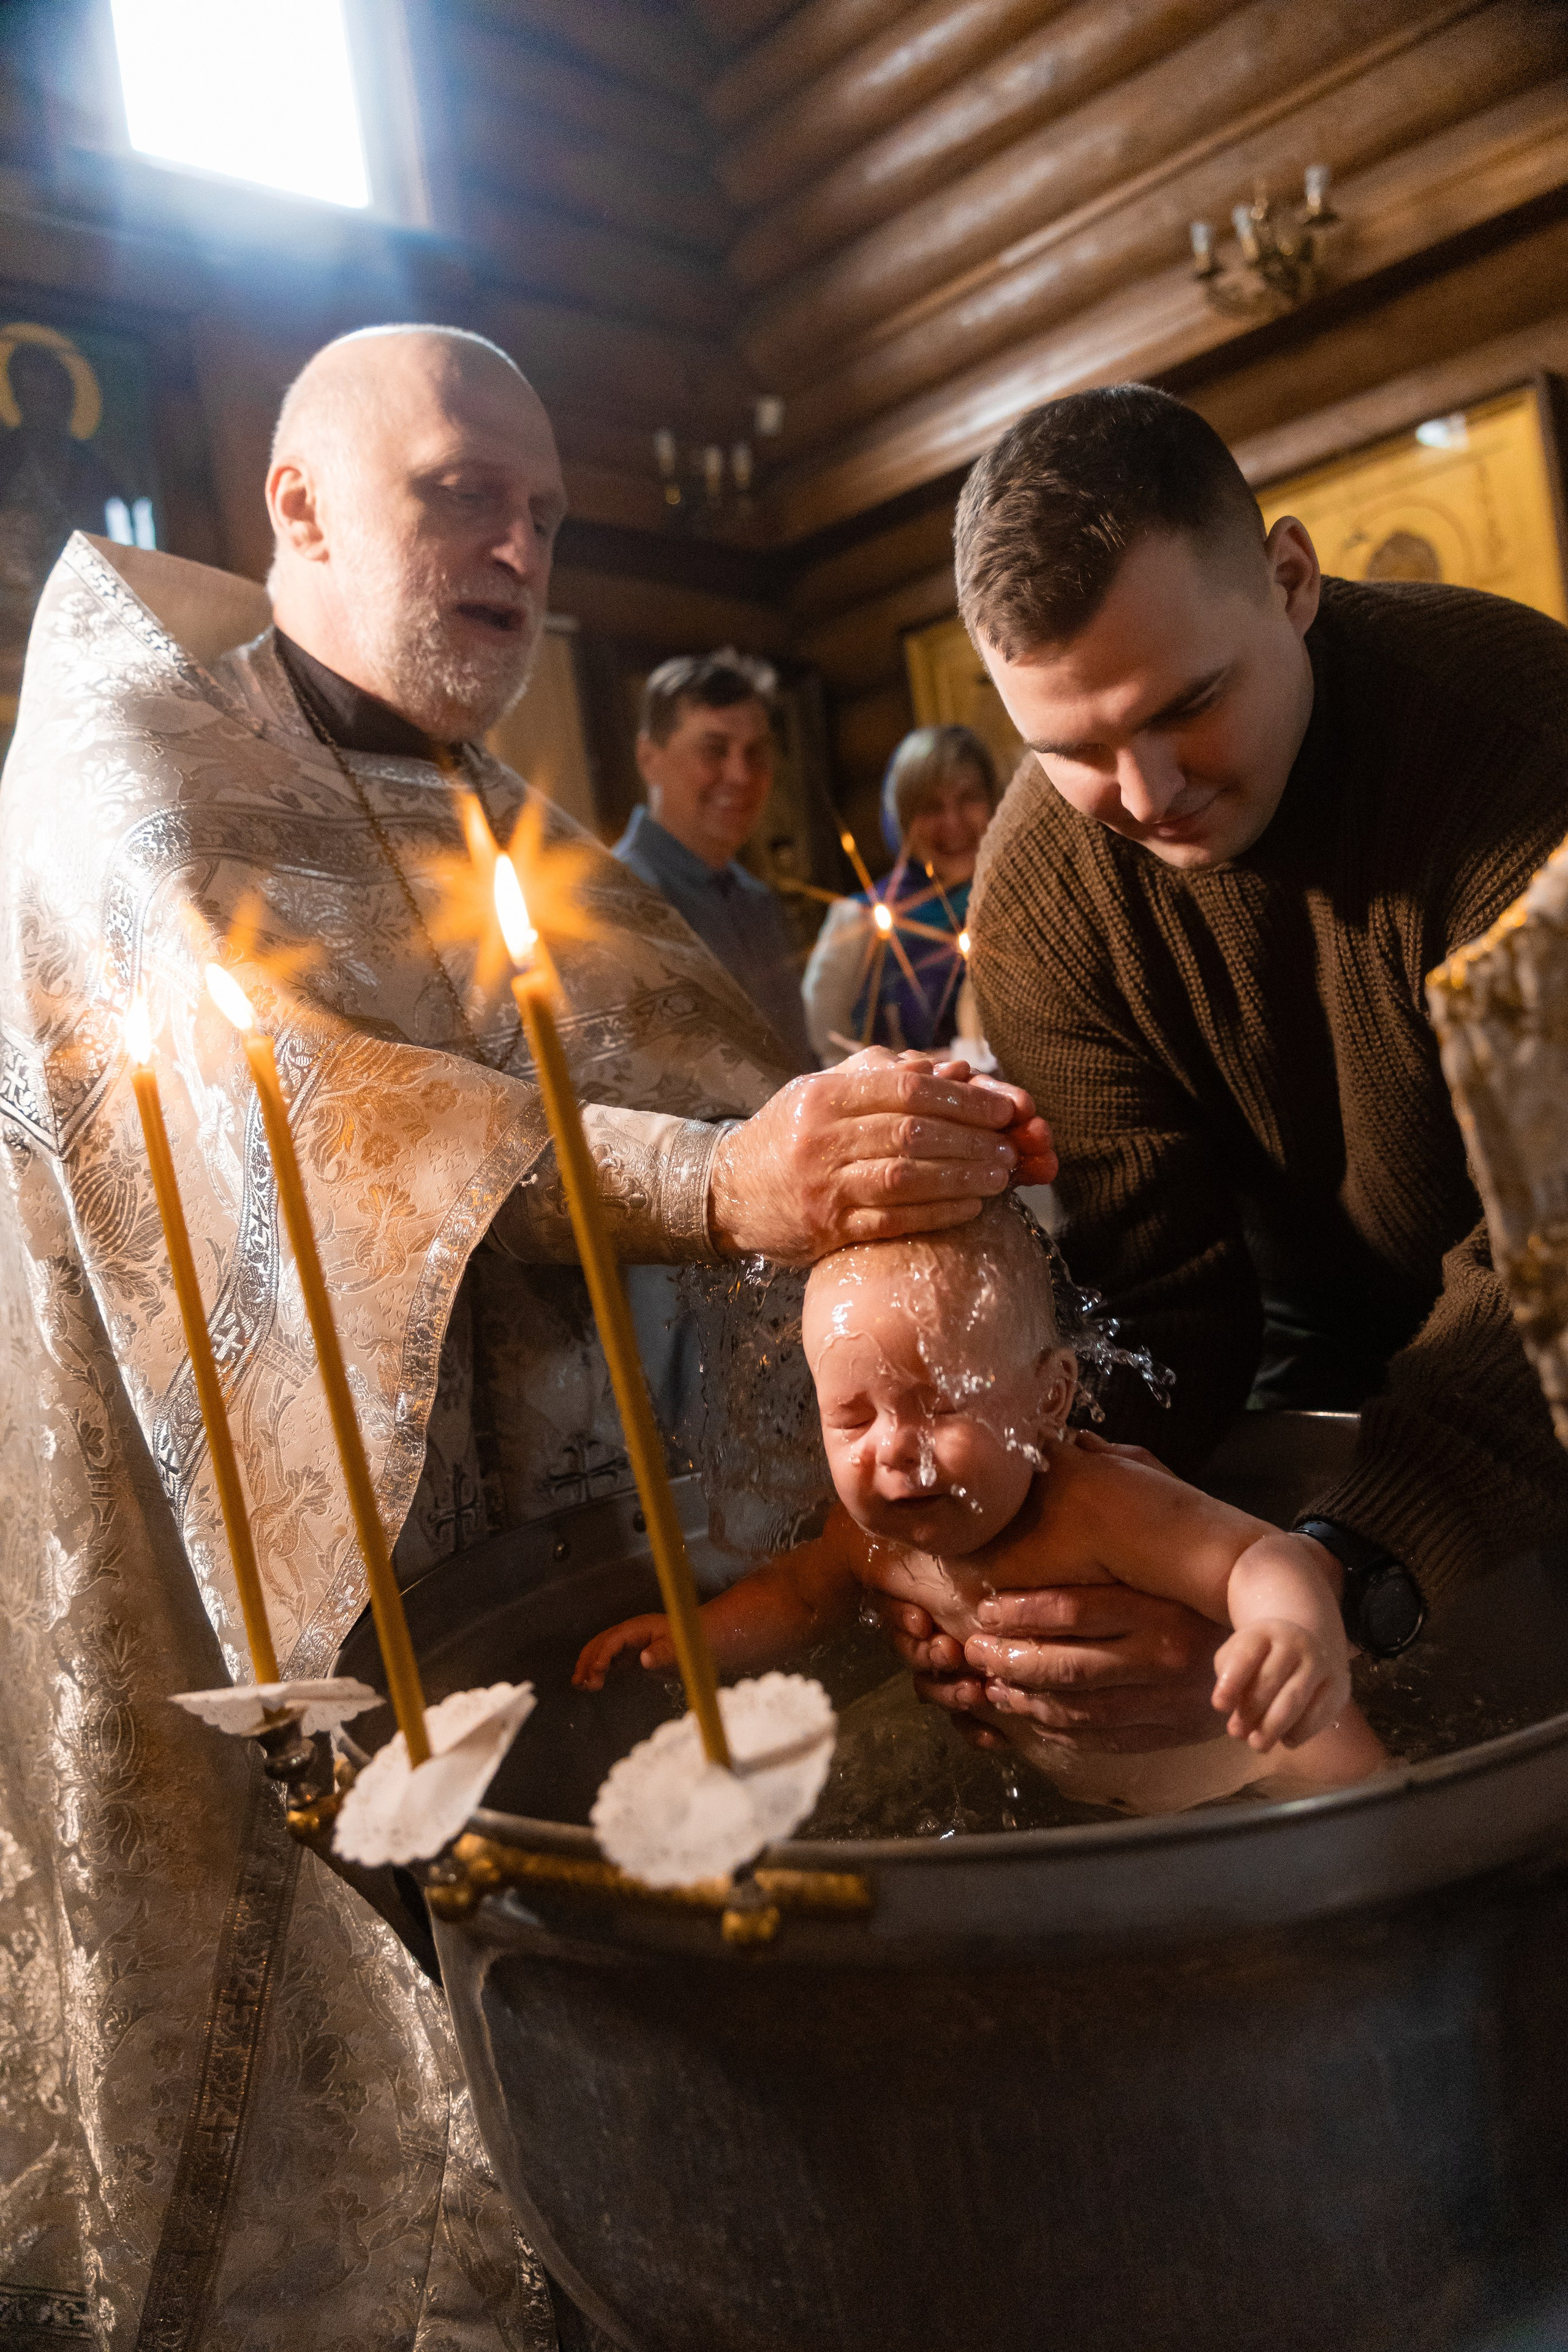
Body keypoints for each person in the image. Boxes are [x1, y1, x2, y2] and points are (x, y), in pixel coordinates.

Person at [0, 323, 1057, 2346]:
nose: (513, 548)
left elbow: (700, 1059)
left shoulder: (481, 810)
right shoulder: (123, 778)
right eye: (458, 496)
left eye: (546, 515)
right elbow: (295, 1114)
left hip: (505, 1594)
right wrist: (732, 1182)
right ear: (293, 507)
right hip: (208, 1591)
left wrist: (912, 1132)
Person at [888, 380, 1568, 1765]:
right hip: (1316, 1358)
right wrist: (1028, 1542)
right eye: (1070, 749)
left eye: (1185, 705)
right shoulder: (1040, 893)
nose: (1144, 796)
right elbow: (1162, 1297)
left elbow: (1551, 1262)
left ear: (1288, 578)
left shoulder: (1520, 744)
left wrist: (1347, 1561)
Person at [576, 1200, 1385, 1812]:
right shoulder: (870, 1536)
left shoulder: (1096, 1504)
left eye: (940, 1407)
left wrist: (1295, 1632)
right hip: (1123, 1820)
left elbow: (1259, 1556)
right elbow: (795, 1597)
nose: (892, 1448)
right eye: (852, 1418)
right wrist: (696, 1638)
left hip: (1290, 1771)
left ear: (1050, 1398)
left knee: (1376, 1860)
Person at [614, 650, 813, 1070]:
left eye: (756, 753)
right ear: (649, 759)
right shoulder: (620, 900)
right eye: (715, 750)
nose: (741, 775)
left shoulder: (757, 901)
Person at [802, 723, 997, 1061]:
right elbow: (827, 1048)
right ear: (902, 819)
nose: (953, 822)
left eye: (969, 799)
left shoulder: (1023, 903)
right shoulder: (859, 921)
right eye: (932, 807)